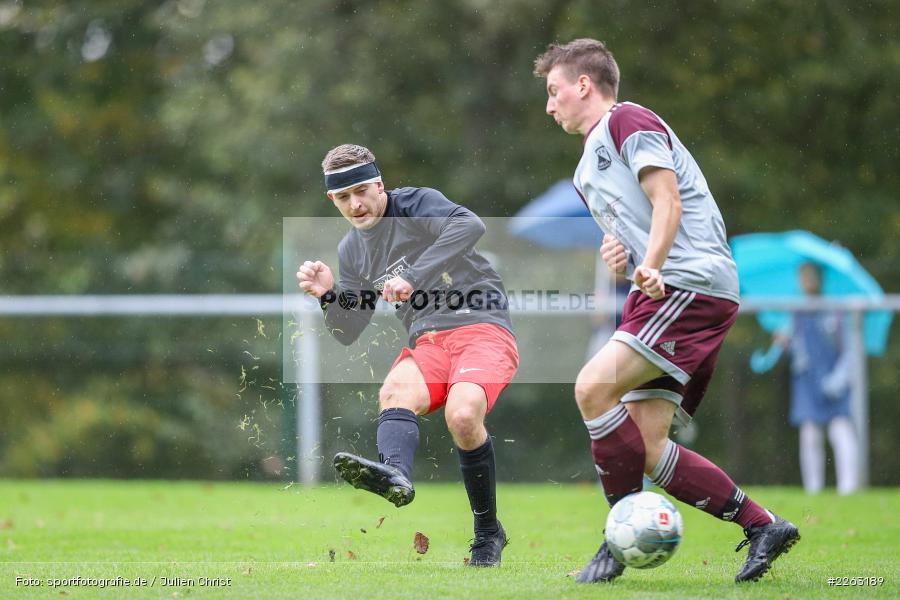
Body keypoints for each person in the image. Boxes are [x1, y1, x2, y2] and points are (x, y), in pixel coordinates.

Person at [534, 39, 800, 584]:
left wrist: (651, 263)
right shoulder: (586, 171)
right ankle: (762, 525)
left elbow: (668, 201)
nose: (549, 104)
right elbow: (628, 237)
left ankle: (614, 540)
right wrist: (620, 256)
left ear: (583, 84)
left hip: (687, 282)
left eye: (554, 90)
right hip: (660, 290)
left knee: (590, 388)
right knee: (649, 447)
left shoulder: (628, 120)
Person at [296, 144, 519, 567]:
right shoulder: (352, 250)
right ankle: (394, 474)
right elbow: (349, 329)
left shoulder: (414, 203)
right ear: (332, 200)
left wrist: (412, 277)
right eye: (344, 198)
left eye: (362, 190)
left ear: (380, 184)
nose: (356, 204)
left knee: (463, 415)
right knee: (394, 391)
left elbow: (469, 225)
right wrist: (328, 296)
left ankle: (488, 532)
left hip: (482, 326)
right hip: (429, 340)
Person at [771, 262, 860, 495]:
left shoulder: (836, 310)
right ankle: (813, 489)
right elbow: (797, 350)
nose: (807, 280)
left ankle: (848, 489)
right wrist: (784, 343)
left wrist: (839, 379)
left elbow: (850, 350)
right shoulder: (796, 312)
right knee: (809, 434)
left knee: (840, 430)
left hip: (833, 380)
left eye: (811, 275)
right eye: (803, 276)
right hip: (807, 383)